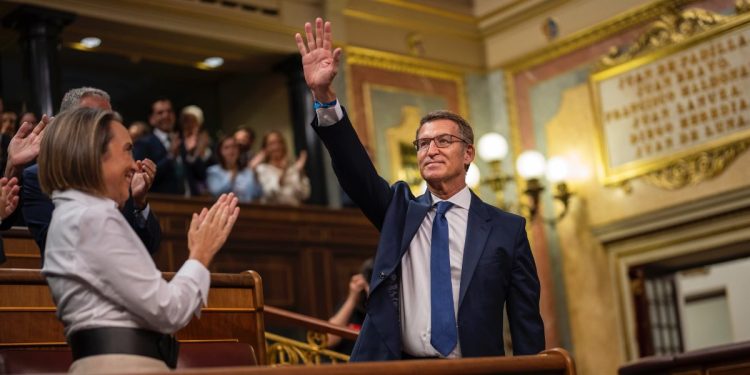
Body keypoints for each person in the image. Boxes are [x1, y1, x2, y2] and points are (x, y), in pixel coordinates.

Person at [295, 18, 545, 361]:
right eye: (423, 143)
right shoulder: (399, 211)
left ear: (468, 153)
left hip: (474, 370)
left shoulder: (507, 229)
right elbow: (356, 172)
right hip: (400, 368)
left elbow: (525, 321)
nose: (431, 149)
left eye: (444, 141)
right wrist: (323, 97)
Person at [39, 107, 240, 373]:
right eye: (127, 150)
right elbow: (168, 311)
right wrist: (201, 254)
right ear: (93, 155)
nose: (135, 164)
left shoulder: (74, 213)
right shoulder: (92, 218)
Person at [20, 87, 162, 257]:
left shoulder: (121, 174)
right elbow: (53, 245)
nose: (107, 129)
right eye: (95, 119)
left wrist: (140, 203)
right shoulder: (38, 176)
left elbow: (150, 246)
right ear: (69, 124)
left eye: (108, 121)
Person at [134, 98, 207, 196]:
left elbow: (201, 175)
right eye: (160, 113)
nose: (166, 115)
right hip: (164, 205)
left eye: (169, 111)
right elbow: (145, 179)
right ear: (152, 119)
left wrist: (192, 154)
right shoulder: (143, 143)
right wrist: (170, 156)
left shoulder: (183, 141)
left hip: (191, 203)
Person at [327, 258, 373, 354]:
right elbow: (329, 340)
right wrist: (352, 298)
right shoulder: (351, 305)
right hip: (348, 364)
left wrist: (376, 300)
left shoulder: (391, 307)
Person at [254, 131, 310, 206]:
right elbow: (269, 194)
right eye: (272, 144)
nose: (276, 147)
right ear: (265, 149)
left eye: (279, 142)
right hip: (272, 213)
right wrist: (283, 172)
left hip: (295, 213)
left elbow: (305, 195)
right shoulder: (262, 169)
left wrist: (300, 172)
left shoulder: (293, 169)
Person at [206, 135, 262, 203]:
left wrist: (255, 176)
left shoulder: (248, 172)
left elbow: (258, 194)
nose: (231, 151)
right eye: (226, 148)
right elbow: (216, 193)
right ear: (220, 152)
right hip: (223, 210)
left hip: (247, 210)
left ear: (239, 150)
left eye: (234, 147)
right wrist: (232, 174)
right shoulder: (213, 171)